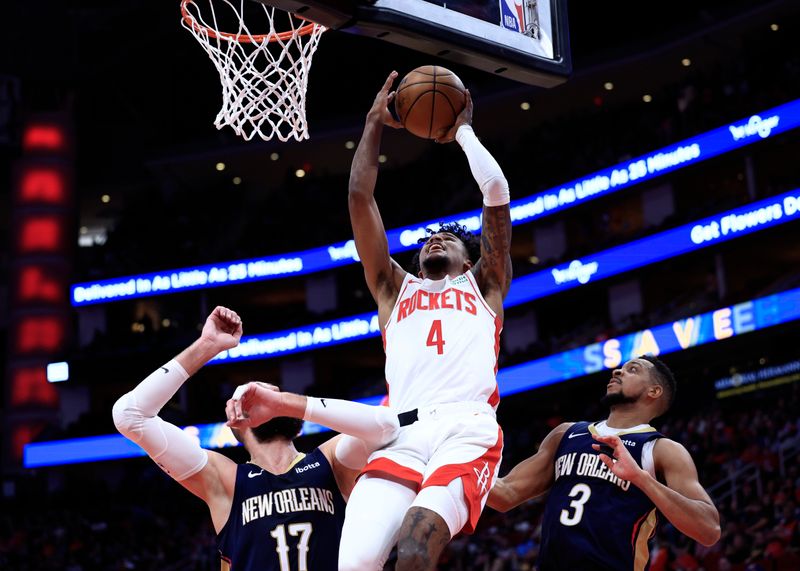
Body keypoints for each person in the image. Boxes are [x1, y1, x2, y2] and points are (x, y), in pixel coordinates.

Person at [348, 70, 513, 570]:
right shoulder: (393, 288)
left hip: (466, 428)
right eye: (427, 242)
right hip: (399, 432)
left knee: (417, 544)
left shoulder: (484, 285)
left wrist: (462, 128)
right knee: (355, 563)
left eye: (448, 241)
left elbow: (496, 191)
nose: (433, 242)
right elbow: (360, 198)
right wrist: (374, 123)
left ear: (471, 258)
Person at [112, 306, 400, 571]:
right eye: (250, 397)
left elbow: (385, 427)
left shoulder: (331, 462)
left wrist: (288, 402)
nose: (264, 399)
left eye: (272, 394)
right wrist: (207, 346)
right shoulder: (225, 480)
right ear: (234, 422)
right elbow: (129, 415)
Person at [487, 355, 722, 570]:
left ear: (654, 391)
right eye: (620, 368)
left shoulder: (662, 450)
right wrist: (460, 461)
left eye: (632, 370)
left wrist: (641, 478)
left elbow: (709, 530)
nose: (617, 371)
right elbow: (505, 494)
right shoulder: (566, 433)